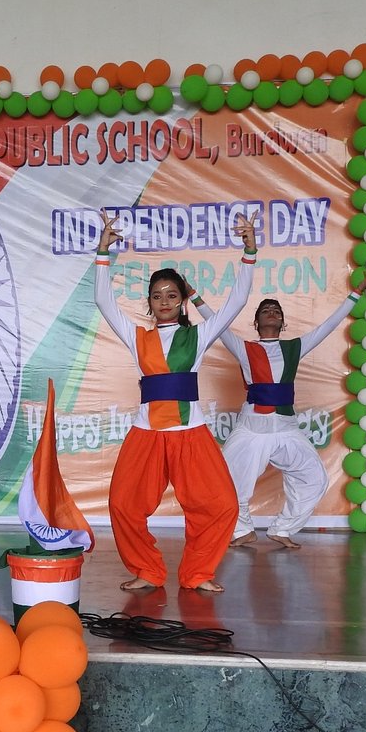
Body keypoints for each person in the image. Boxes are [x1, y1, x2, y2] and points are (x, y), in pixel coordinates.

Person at [95, 210, 258, 592]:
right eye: (157, 296)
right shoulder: (138, 337)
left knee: (221, 505)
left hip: (190, 434)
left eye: (171, 295)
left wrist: (249, 251)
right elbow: (103, 300)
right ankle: (147, 571)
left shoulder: (199, 335)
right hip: (146, 434)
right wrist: (103, 251)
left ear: (183, 300)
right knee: (123, 505)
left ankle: (198, 573)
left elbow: (237, 300)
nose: (164, 301)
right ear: (149, 303)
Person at [197, 272, 366, 550]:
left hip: (286, 428)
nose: (272, 313)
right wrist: (193, 296)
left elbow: (329, 325)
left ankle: (282, 528)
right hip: (252, 428)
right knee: (224, 479)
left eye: (276, 311)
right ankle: (242, 530)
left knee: (315, 479)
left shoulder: (294, 347)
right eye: (265, 310)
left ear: (283, 322)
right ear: (256, 322)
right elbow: (217, 323)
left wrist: (357, 291)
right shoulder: (243, 348)